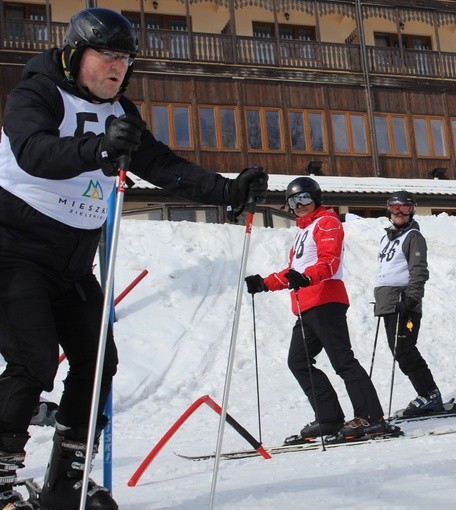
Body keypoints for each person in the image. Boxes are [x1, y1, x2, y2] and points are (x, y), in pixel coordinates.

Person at [0, 8, 268, 509]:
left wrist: (227, 191)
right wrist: (97, 150)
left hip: (72, 264)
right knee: (32, 362)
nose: (118, 67)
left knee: (100, 363)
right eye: (108, 55)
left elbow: (161, 164)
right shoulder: (36, 92)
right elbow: (34, 151)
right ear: (78, 54)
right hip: (15, 251)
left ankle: (67, 481)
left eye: (126, 58)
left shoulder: (121, 113)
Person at [245, 177, 395, 440]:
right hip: (306, 304)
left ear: (316, 198)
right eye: (293, 200)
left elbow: (330, 261)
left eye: (304, 198)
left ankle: (371, 418)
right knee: (298, 361)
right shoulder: (304, 230)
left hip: (326, 300)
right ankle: (328, 418)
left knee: (342, 361)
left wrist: (307, 278)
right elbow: (295, 272)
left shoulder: (327, 222)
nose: (299, 205)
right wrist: (264, 283)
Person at [374, 191, 444, 415]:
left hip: (403, 302)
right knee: (399, 350)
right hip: (388, 303)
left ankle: (429, 394)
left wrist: (412, 298)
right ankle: (426, 393)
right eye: (395, 208)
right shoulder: (387, 238)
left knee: (404, 349)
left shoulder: (413, 236)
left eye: (405, 208)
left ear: (412, 210)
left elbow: (418, 270)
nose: (400, 213)